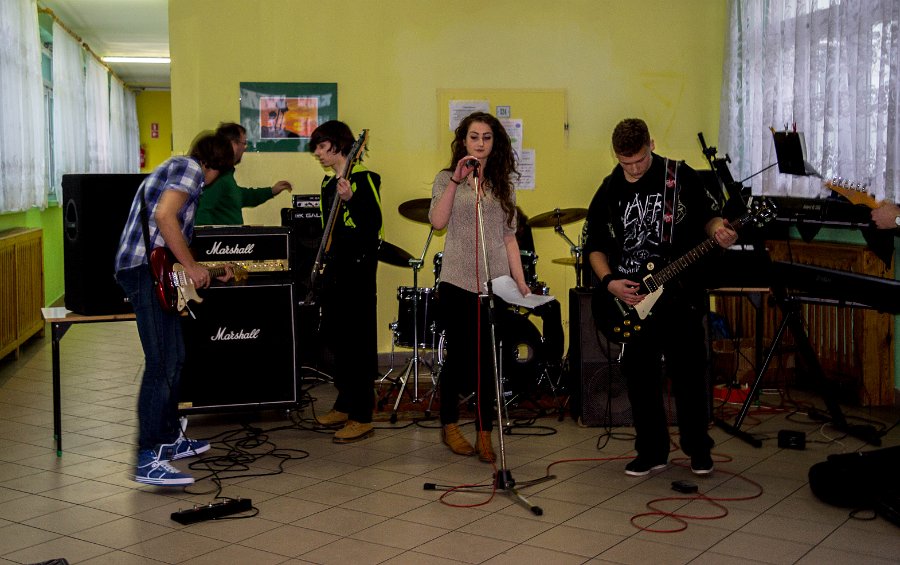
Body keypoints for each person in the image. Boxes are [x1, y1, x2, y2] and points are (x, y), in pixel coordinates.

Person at [584, 118, 737, 477]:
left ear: (651, 144)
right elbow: (595, 247)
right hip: (634, 300)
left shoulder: (680, 177)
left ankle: (698, 449)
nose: (634, 169)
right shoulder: (609, 189)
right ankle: (652, 451)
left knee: (689, 376)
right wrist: (610, 282)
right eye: (626, 162)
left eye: (639, 160)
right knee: (640, 377)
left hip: (681, 297)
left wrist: (721, 231)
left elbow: (710, 218)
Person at [115, 132, 235, 486]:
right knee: (161, 363)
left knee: (176, 357)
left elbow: (169, 250)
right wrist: (195, 267)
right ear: (217, 167)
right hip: (142, 271)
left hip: (149, 270)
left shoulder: (180, 169)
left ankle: (169, 438)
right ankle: (147, 456)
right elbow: (165, 217)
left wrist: (206, 270)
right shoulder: (190, 169)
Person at [429, 112, 530, 463]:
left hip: (494, 283)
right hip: (457, 280)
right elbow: (437, 222)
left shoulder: (503, 184)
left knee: (489, 360)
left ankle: (485, 432)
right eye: (474, 137)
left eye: (487, 137)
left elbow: (509, 237)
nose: (480, 143)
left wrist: (520, 281)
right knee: (458, 358)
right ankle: (449, 425)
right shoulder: (445, 179)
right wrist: (456, 181)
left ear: (494, 143)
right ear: (463, 141)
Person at [308, 120, 382, 443]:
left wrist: (352, 198)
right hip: (336, 271)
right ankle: (345, 403)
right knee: (336, 340)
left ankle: (362, 415)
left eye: (322, 147)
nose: (318, 154)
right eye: (316, 149)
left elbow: (374, 226)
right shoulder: (327, 185)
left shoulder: (365, 179)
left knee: (358, 344)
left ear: (340, 145)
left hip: (358, 272)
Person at [195, 122, 292, 225]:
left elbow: (239, 196)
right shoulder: (217, 174)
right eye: (244, 143)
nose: (245, 147)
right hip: (222, 236)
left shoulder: (226, 175)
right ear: (233, 144)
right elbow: (202, 211)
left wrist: (271, 191)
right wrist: (210, 235)